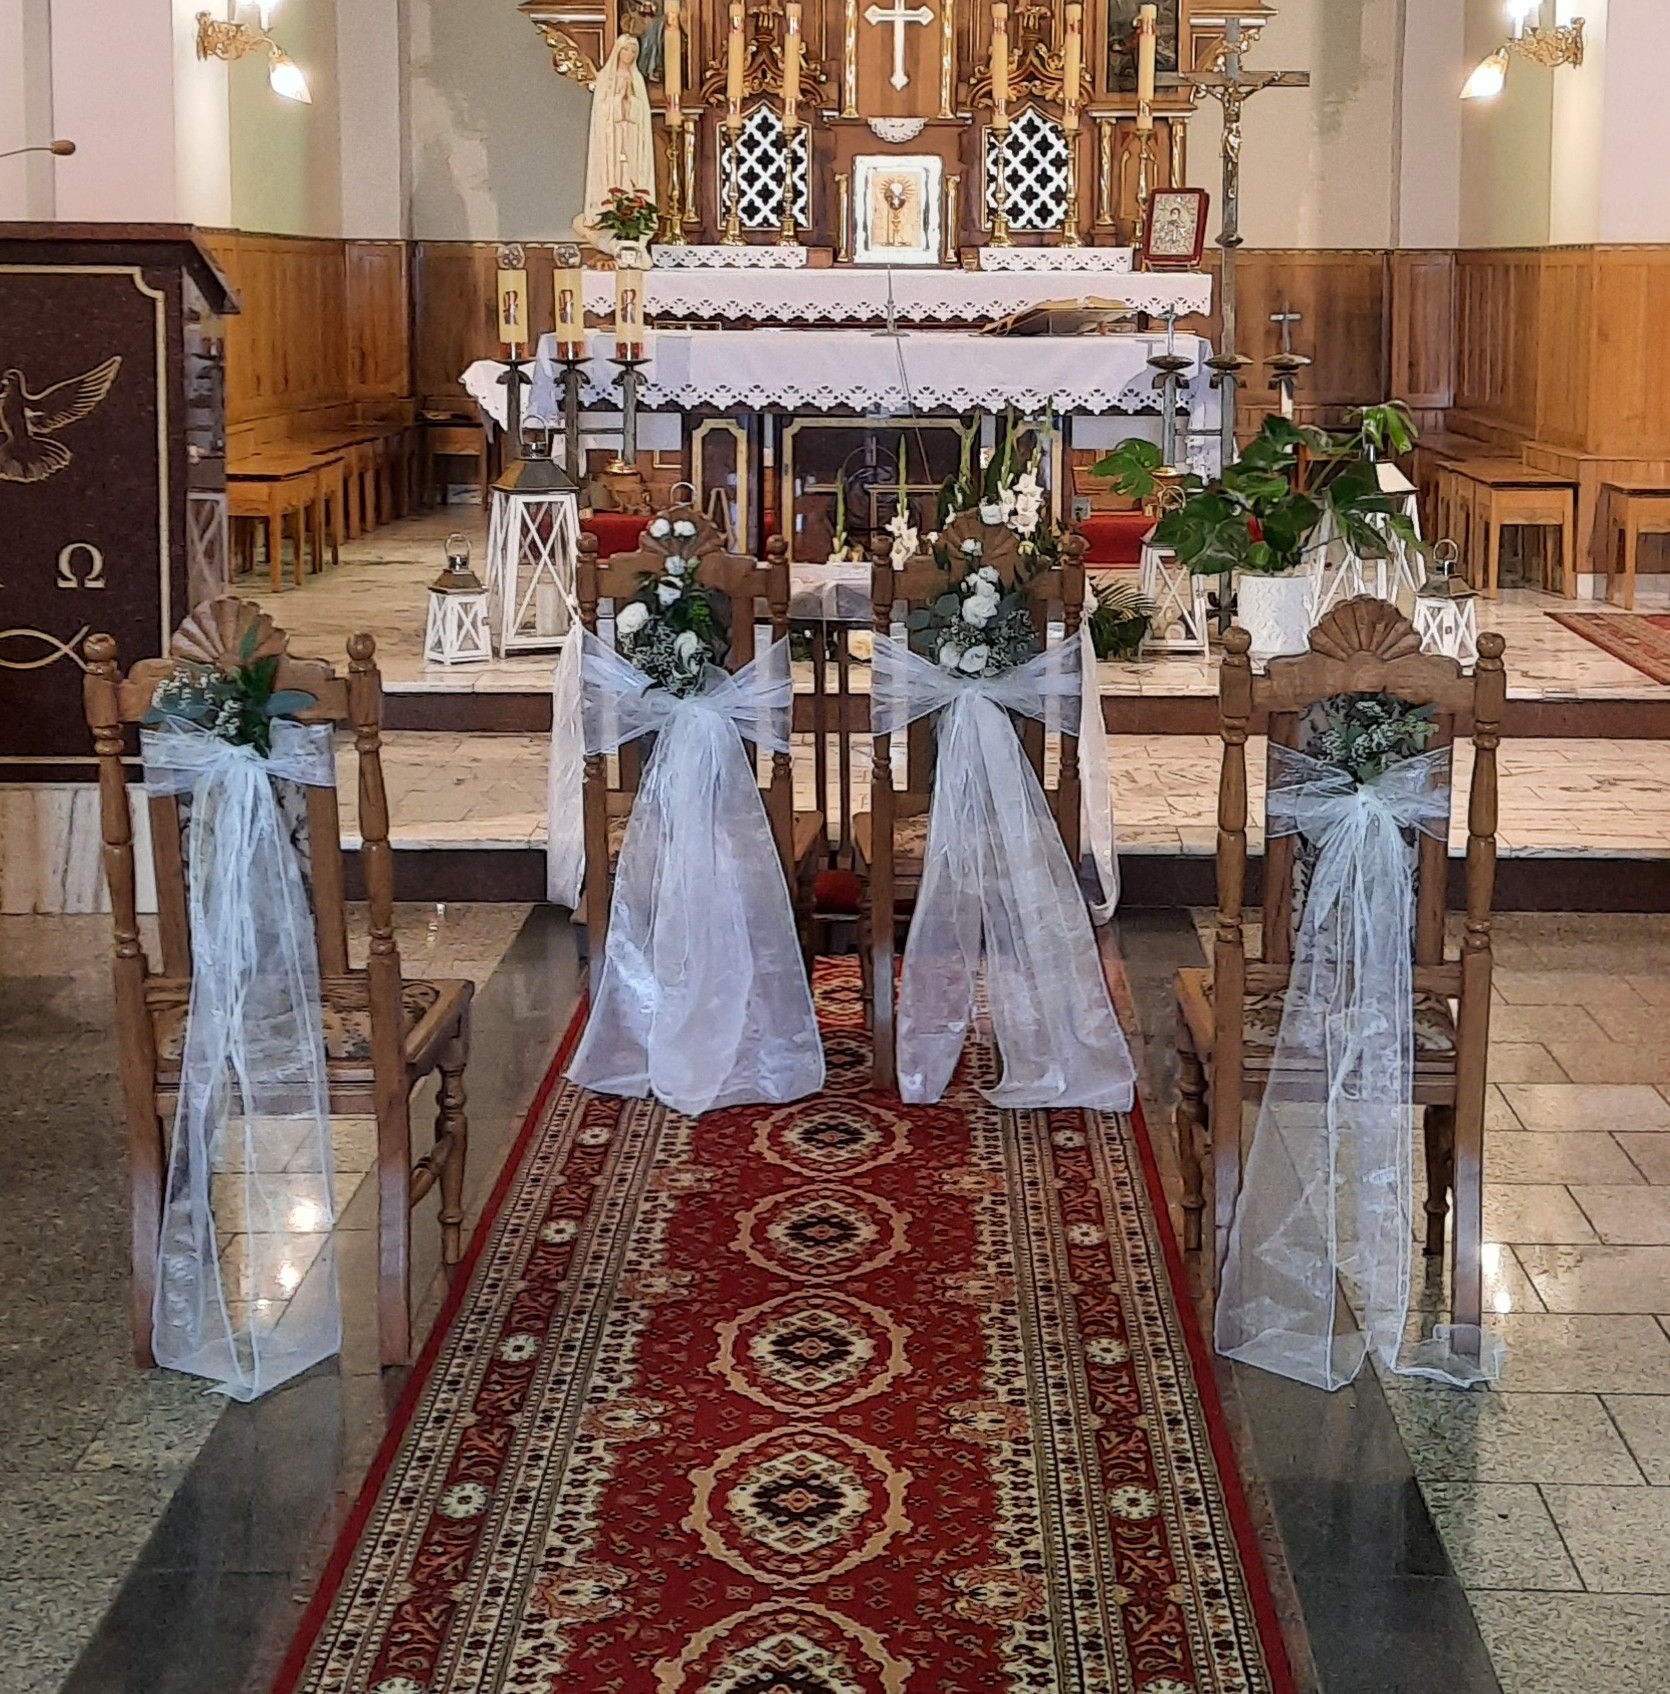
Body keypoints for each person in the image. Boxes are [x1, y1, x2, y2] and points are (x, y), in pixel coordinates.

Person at [574, 34, 657, 254]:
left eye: (633, 51)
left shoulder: (636, 79)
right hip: (611, 140)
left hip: (631, 137)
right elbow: (601, 113)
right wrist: (617, 101)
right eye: (626, 50)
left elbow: (642, 114)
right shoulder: (606, 77)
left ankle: (632, 212)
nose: (629, 55)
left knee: (630, 173)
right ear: (618, 52)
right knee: (614, 173)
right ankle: (610, 214)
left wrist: (631, 103)